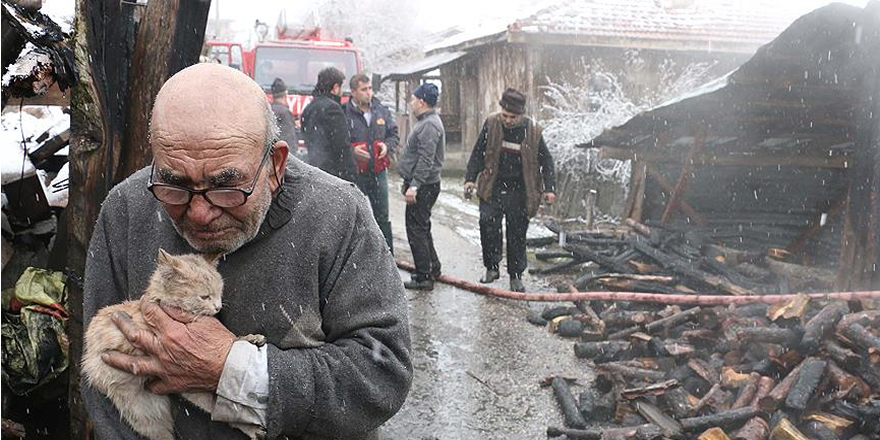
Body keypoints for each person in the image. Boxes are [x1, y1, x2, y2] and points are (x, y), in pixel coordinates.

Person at [81, 63, 412, 440]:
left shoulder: (338, 213)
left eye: (226, 187)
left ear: (275, 165)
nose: (200, 213)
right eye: (175, 185)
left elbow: (382, 374)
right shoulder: (126, 208)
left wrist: (233, 370)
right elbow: (101, 382)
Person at [463, 87, 556, 292]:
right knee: (487, 224)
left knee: (516, 234)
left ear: (520, 115)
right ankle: (492, 267)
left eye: (512, 117)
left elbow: (546, 162)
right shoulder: (491, 123)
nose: (507, 120)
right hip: (493, 186)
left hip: (520, 191)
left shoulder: (533, 131)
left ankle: (516, 275)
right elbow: (478, 153)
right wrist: (470, 179)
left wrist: (550, 188)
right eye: (504, 115)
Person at [397, 83, 445, 290]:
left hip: (424, 185)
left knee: (416, 230)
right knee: (422, 227)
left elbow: (426, 159)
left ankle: (424, 276)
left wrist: (414, 185)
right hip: (424, 183)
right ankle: (432, 267)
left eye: (413, 99)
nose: (411, 103)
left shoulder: (429, 125)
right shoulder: (428, 122)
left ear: (422, 102)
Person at [344, 73, 398, 253]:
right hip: (355, 174)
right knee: (355, 217)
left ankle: (387, 255)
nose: (369, 93)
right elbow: (338, 143)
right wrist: (352, 151)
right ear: (353, 92)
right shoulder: (344, 112)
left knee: (382, 216)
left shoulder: (380, 110)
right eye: (364, 89)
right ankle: (359, 256)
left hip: (378, 171)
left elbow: (393, 134)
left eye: (370, 89)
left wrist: (387, 146)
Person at [302, 67, 356, 181]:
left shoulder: (309, 108)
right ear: (335, 88)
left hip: (314, 171)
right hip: (333, 174)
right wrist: (351, 176)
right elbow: (342, 146)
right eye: (341, 87)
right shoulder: (333, 109)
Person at [269, 78, 302, 159]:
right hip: (282, 157)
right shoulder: (285, 112)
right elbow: (290, 139)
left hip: (270, 155)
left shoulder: (268, 109)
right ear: (285, 95)